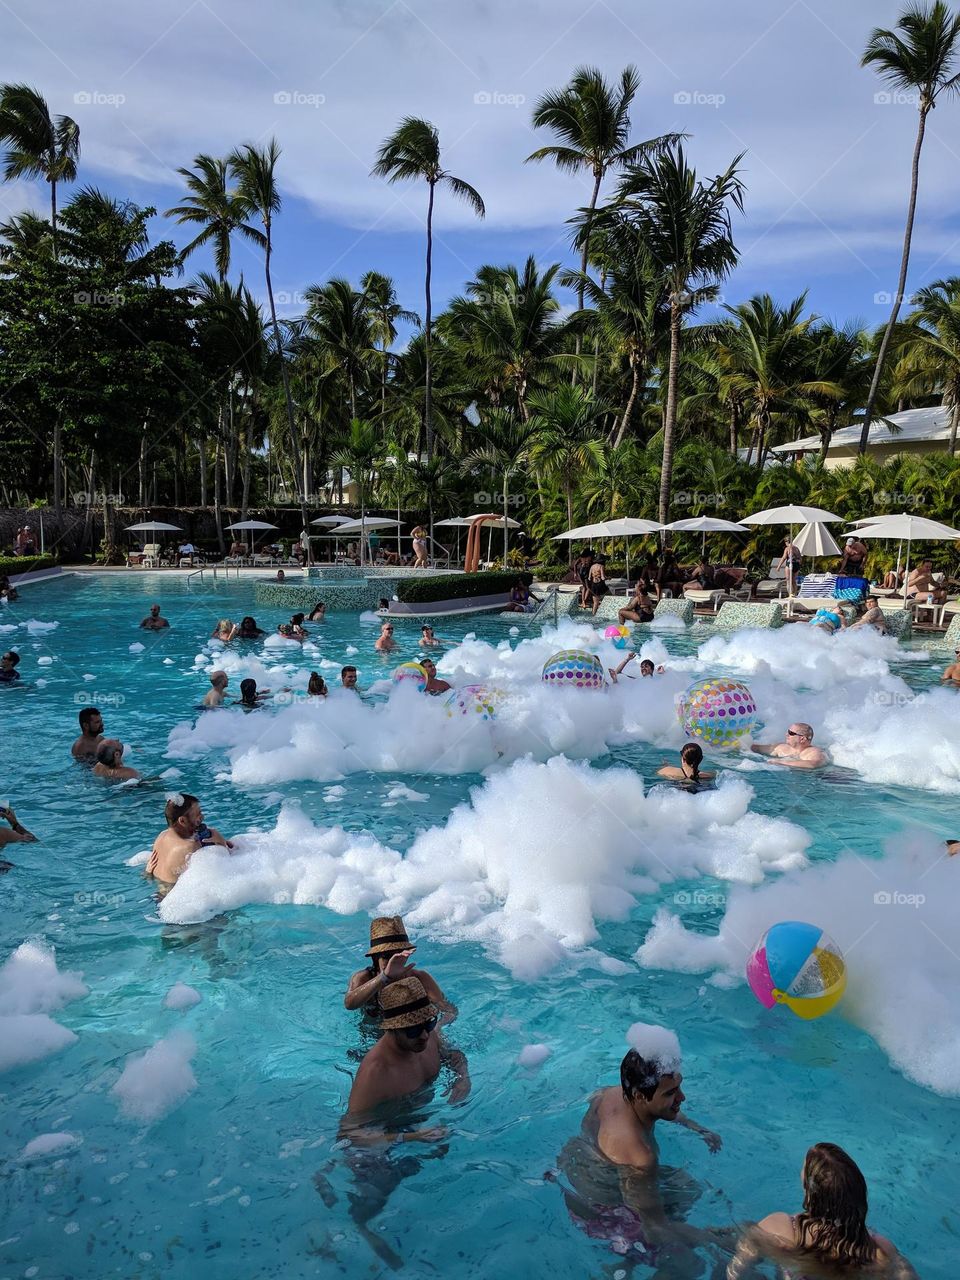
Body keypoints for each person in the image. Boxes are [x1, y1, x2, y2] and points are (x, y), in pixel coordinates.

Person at [726, 1142, 916, 1279]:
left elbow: (737, 1270)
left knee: (742, 1229)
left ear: (809, 1190)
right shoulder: (880, 1250)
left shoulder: (779, 1227)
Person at [340, 974, 469, 1144]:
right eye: (413, 1030)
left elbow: (454, 1055)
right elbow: (349, 1133)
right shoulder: (376, 1072)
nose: (424, 1035)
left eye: (428, 1023)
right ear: (392, 1029)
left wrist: (463, 1077)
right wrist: (412, 1137)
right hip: (382, 1135)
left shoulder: (430, 1035)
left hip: (417, 1120)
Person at [344, 917, 454, 1020]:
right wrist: (384, 977)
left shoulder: (419, 978)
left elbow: (448, 1011)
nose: (394, 961)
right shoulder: (363, 978)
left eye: (399, 955)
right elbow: (349, 1004)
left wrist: (436, 1027)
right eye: (387, 956)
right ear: (375, 957)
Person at [146, 792, 234, 886]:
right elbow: (222, 871)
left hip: (162, 893)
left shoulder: (161, 837)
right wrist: (221, 842)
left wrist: (147, 873)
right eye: (198, 814)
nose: (202, 817)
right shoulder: (190, 847)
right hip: (177, 895)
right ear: (182, 821)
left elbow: (154, 875)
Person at [751, 722, 827, 769]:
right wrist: (742, 744)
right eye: (788, 731)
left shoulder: (814, 752)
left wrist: (781, 762)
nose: (786, 734)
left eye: (791, 733)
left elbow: (813, 764)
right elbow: (758, 748)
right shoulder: (781, 748)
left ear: (802, 739)